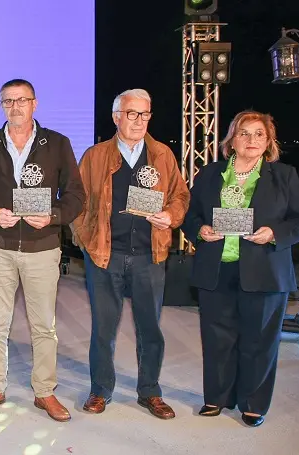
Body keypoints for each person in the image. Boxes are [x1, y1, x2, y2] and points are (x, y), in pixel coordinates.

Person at [0, 79, 85, 421]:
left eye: (21, 100)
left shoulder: (57, 144)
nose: (15, 107)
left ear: (35, 103)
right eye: (8, 101)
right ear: (1, 105)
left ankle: (45, 392)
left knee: (44, 325)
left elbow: (76, 195)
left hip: (42, 248)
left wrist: (54, 216)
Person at [182, 110, 299, 427]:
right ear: (232, 140)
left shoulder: (285, 176)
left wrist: (275, 233)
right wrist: (201, 231)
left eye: (258, 134)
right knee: (217, 339)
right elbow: (190, 216)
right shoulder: (210, 174)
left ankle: (253, 403)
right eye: (244, 133)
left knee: (259, 341)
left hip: (266, 271)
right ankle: (217, 398)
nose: (251, 140)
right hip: (217, 269)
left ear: (268, 142)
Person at [72, 89, 189, 419]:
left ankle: (150, 391)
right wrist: (85, 239)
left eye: (145, 114)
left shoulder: (162, 155)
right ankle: (100, 389)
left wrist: (171, 216)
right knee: (103, 330)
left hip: (149, 257)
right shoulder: (95, 156)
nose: (140, 121)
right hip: (105, 256)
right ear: (116, 117)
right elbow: (77, 203)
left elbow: (180, 196)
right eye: (133, 114)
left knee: (150, 329)